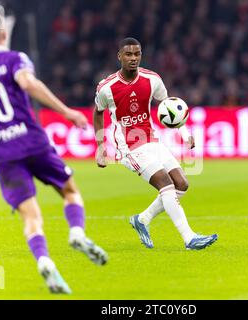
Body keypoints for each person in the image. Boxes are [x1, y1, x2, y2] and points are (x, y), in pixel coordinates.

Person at [0, 12, 108, 295]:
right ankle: (77, 233)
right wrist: (68, 111)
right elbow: (29, 84)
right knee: (70, 191)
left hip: (2, 154)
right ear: (4, 34)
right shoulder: (14, 59)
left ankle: (44, 261)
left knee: (31, 217)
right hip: (32, 142)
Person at [93, 37, 218, 250]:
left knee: (182, 184)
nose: (133, 58)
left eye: (137, 54)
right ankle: (189, 238)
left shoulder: (152, 79)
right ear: (119, 57)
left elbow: (171, 108)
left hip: (152, 141)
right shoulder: (107, 87)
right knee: (166, 185)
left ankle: (142, 219)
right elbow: (98, 112)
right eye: (129, 54)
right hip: (129, 148)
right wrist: (100, 146)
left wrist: (185, 132)